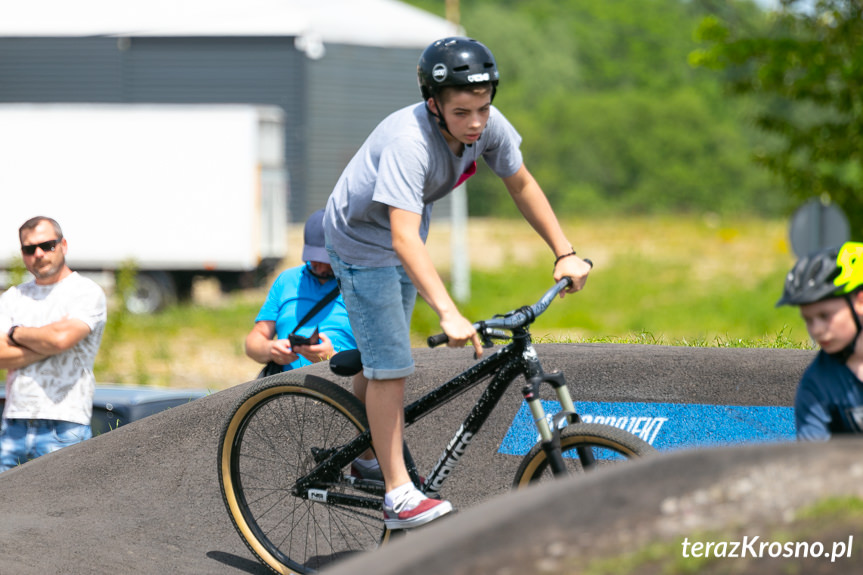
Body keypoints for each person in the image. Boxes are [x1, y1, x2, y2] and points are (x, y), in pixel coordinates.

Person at [323, 36, 592, 530]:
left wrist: (565, 252)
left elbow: (522, 184)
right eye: (463, 112)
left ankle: (364, 451)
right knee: (392, 368)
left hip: (403, 231)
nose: (475, 123)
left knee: (383, 353)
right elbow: (402, 241)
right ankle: (398, 494)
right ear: (434, 104)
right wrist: (447, 310)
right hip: (362, 240)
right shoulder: (409, 142)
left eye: (484, 109)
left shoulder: (488, 125)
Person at [0, 216, 107, 472]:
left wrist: (14, 333)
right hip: (14, 423)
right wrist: (48, 342)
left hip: (65, 425)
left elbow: (61, 339)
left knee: (61, 511)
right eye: (29, 248)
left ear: (63, 245)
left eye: (47, 245)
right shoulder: (14, 296)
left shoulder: (86, 292)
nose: (38, 253)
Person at [245, 209, 356, 372]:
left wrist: (331, 357)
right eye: (315, 260)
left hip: (342, 390)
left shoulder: (361, 284)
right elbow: (253, 343)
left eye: (328, 260)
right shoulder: (286, 280)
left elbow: (380, 356)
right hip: (290, 392)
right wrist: (271, 349)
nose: (321, 268)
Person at [776, 241, 863, 441]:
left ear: (860, 301)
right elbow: (812, 460)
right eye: (808, 319)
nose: (816, 329)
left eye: (825, 316)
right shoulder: (817, 385)